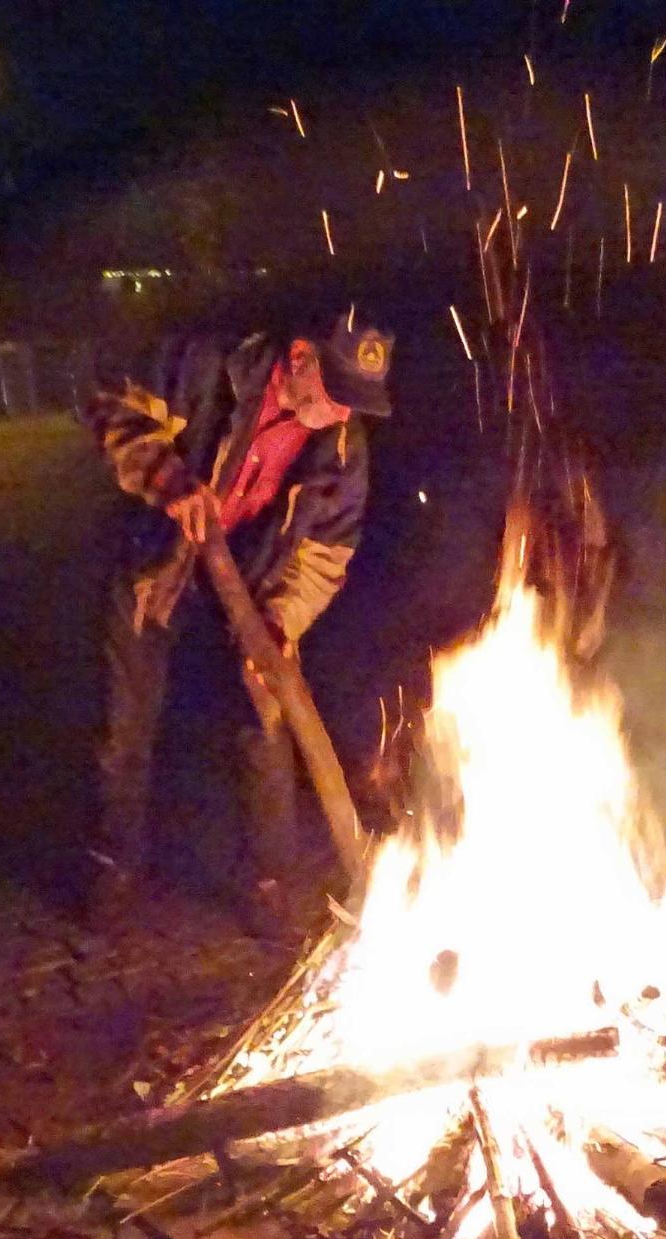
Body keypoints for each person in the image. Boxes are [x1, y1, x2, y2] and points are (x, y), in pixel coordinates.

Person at [83, 316, 392, 931]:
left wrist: (280, 625)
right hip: (159, 563)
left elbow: (327, 552)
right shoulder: (208, 365)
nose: (339, 415)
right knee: (126, 727)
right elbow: (111, 401)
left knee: (267, 720)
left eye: (353, 404)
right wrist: (167, 477)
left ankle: (270, 882)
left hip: (252, 584)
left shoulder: (339, 442)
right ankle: (112, 869)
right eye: (335, 395)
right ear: (299, 357)